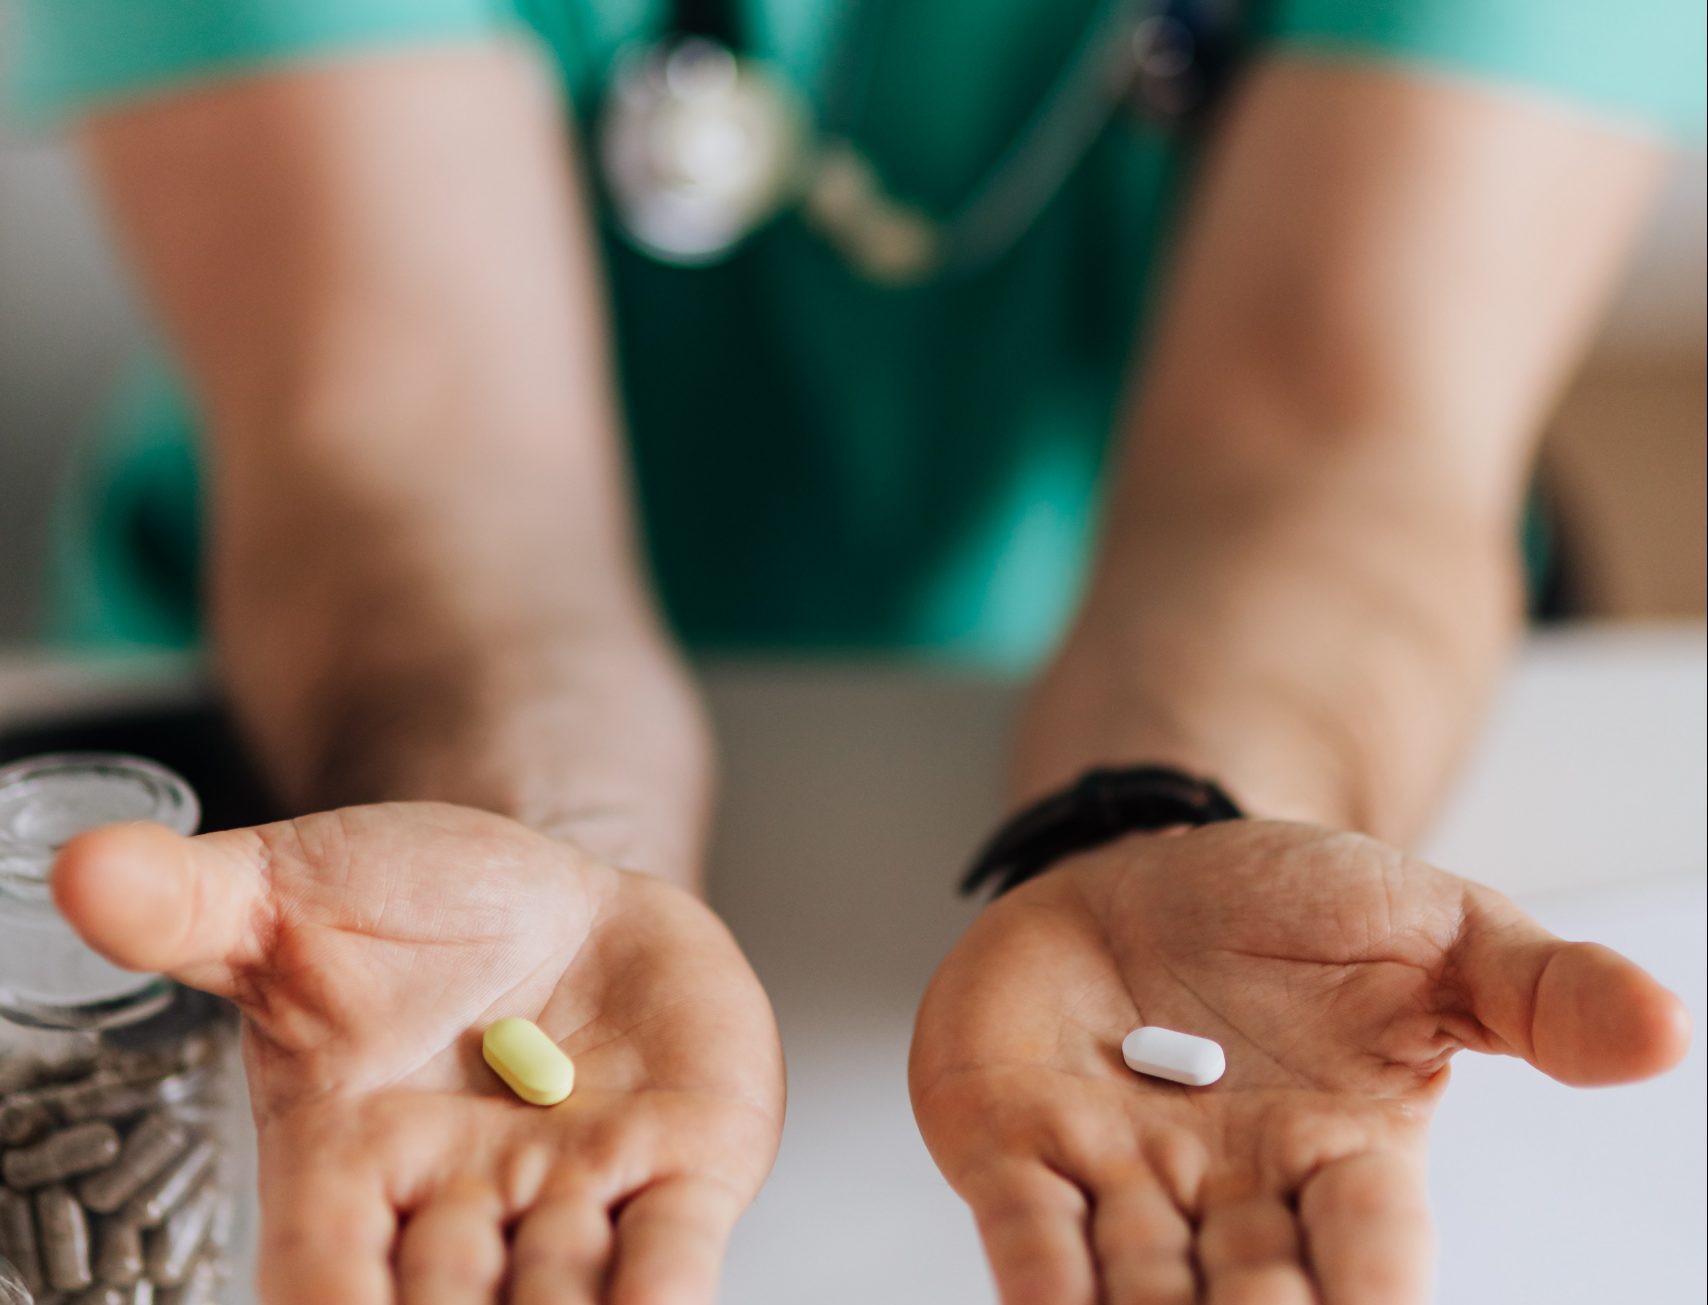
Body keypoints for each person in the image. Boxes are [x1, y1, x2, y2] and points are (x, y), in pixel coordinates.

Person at [11, 0, 1701, 1301]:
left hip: (1233, 680)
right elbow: (407, 433)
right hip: (372, 730)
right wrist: (533, 829)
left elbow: (1336, 432)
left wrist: (1184, 809)